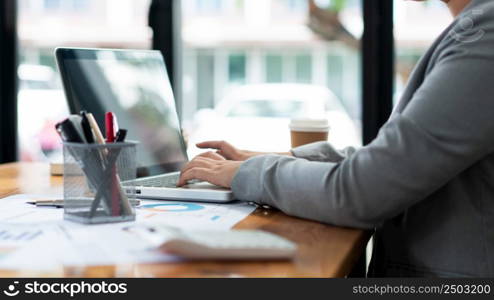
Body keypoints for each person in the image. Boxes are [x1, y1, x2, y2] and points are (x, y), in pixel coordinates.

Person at [178, 0, 494, 277]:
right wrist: (272, 159)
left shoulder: (484, 33)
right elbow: (393, 163)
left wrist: (249, 173)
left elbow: (364, 189)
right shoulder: (472, 29)